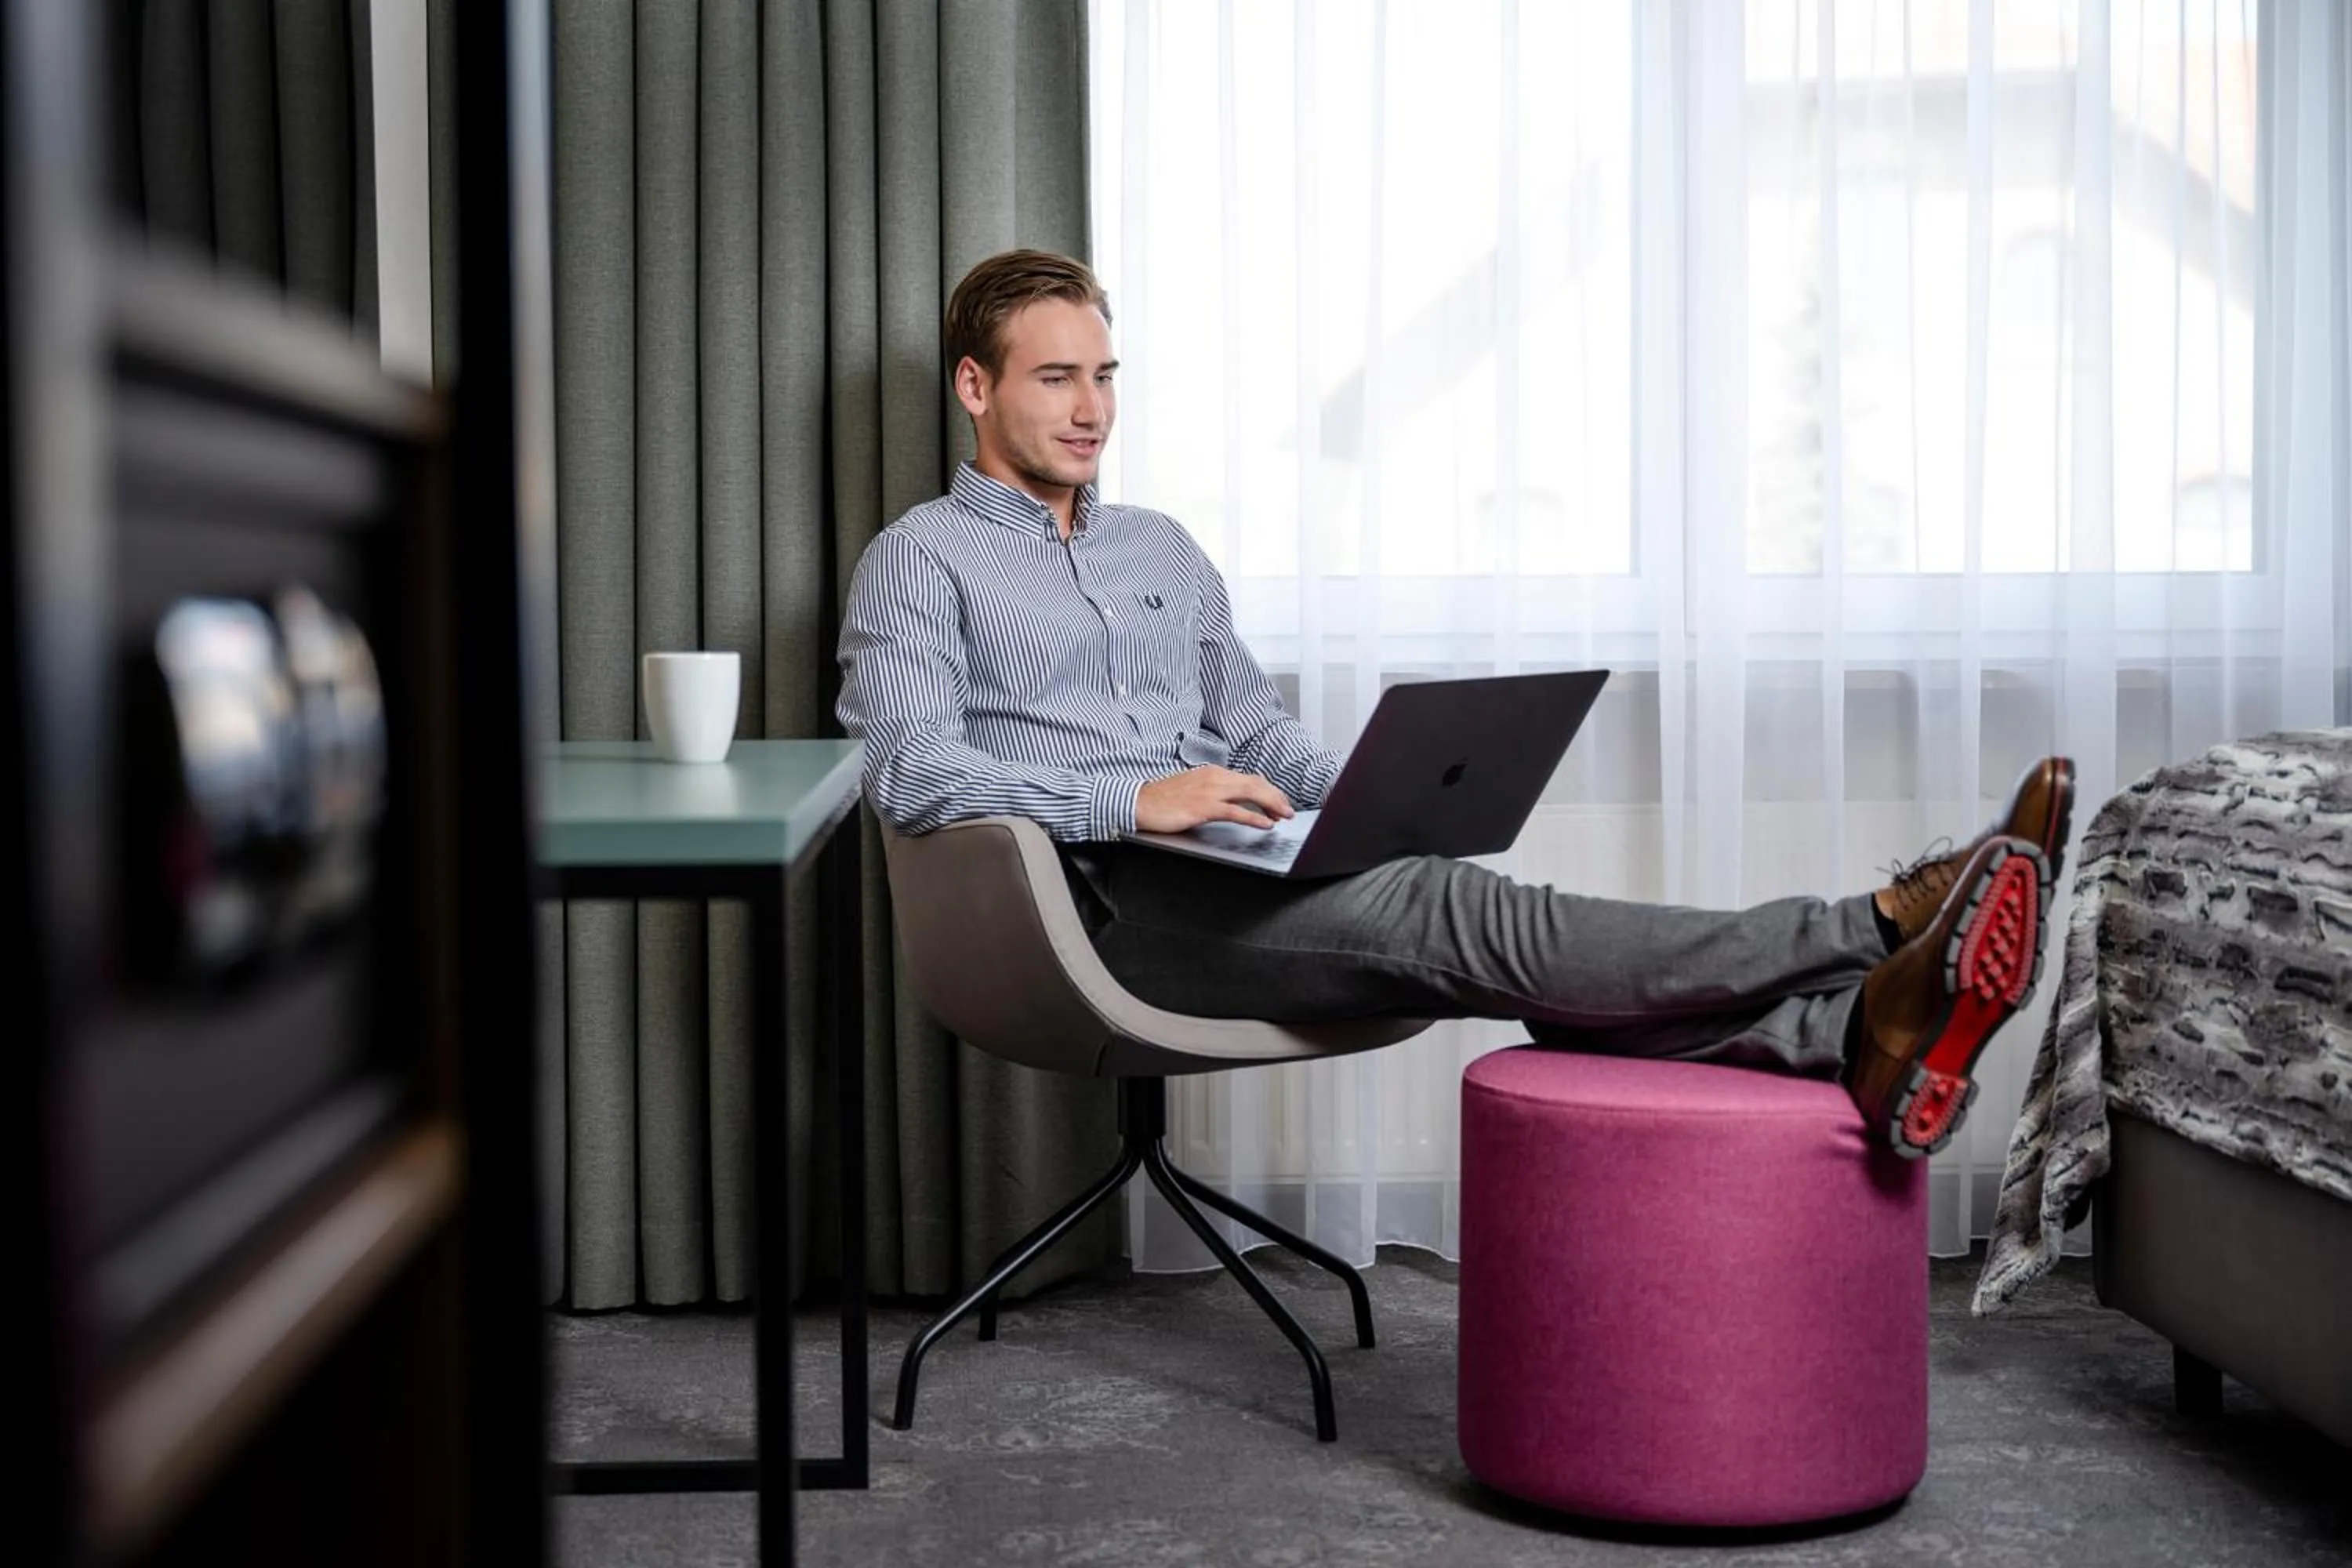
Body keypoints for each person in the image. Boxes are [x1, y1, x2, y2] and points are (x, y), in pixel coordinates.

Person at [837, 249, 2074, 1156]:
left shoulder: (1160, 549)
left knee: (1470, 932)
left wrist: (1364, 796)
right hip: (1093, 910)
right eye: (1057, 379)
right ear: (974, 389)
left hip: (1235, 871)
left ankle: (1855, 1036)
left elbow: (1253, 728)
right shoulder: (920, 558)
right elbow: (906, 770)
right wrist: (1134, 796)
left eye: (1105, 375)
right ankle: (1873, 926)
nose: (1093, 408)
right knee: (1464, 918)